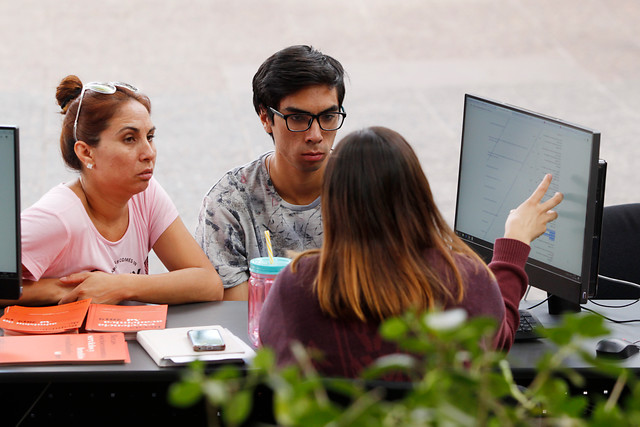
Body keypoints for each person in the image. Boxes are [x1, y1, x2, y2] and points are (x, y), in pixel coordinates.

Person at [259, 126, 564, 378]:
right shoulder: (464, 280)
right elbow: (498, 341)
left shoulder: (298, 285)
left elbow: (273, 358)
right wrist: (515, 243)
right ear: (418, 194)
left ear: (333, 201)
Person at [2, 76, 223, 306]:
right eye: (129, 139)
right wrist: (58, 289)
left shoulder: (145, 195)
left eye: (149, 137)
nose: (149, 153)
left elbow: (208, 283)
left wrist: (120, 285)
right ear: (86, 153)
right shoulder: (58, 217)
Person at [195, 45, 347, 301]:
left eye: (329, 116)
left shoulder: (368, 187)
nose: (316, 135)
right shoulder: (228, 203)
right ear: (265, 117)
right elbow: (238, 316)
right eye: (298, 118)